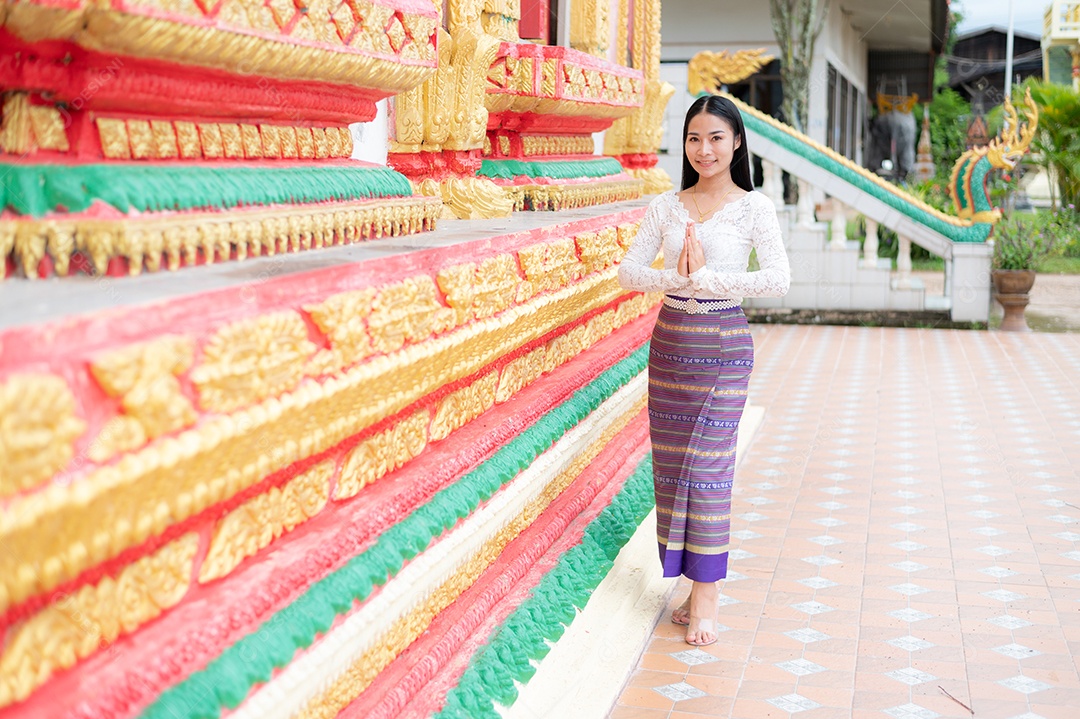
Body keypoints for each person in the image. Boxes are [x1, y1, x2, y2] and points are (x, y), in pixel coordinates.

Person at [617, 94, 790, 646]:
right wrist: (675, 276)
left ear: (736, 142)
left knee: (709, 471)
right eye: (694, 137)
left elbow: (779, 279)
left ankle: (708, 596)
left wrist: (710, 281)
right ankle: (693, 587)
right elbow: (628, 271)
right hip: (670, 347)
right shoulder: (666, 206)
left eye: (716, 137)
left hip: (723, 348)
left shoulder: (754, 208)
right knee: (672, 471)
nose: (704, 149)